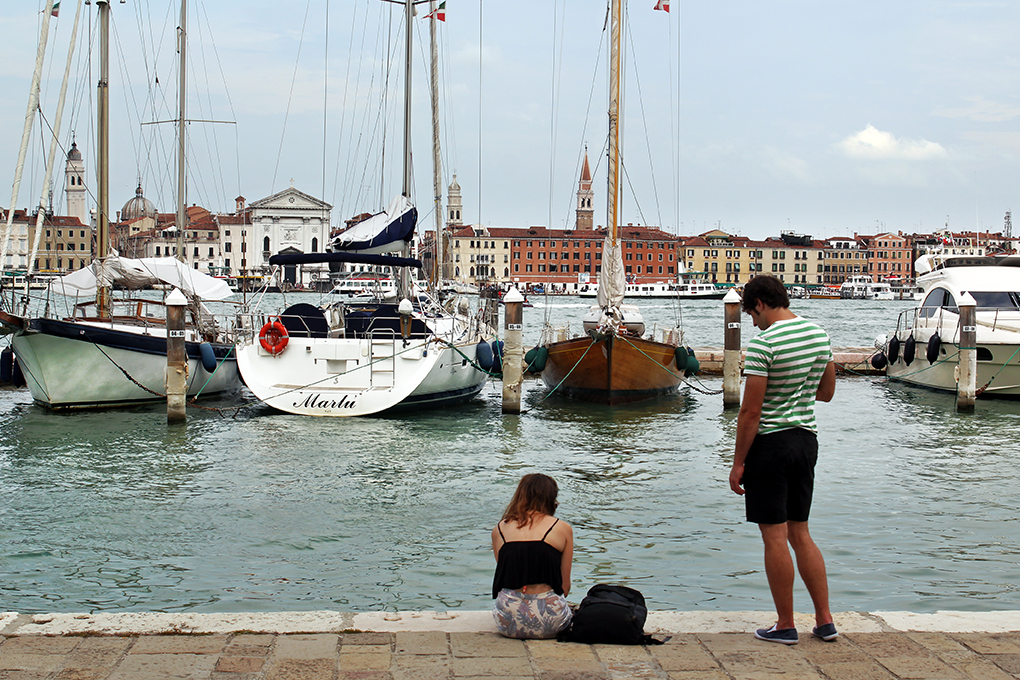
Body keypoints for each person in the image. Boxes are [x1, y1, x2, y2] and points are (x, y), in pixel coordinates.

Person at [729, 275, 838, 645]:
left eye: (751, 314)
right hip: (806, 442)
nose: (753, 322)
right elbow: (826, 393)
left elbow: (750, 413)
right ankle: (824, 621)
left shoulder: (764, 344)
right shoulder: (819, 335)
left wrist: (738, 462)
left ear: (759, 303)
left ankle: (786, 624)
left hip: (770, 447)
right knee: (801, 532)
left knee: (774, 536)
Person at [491, 473, 574, 639]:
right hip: (550, 622)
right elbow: (565, 587)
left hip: (507, 621)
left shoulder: (500, 529)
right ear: (552, 499)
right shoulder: (562, 528)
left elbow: (509, 574)